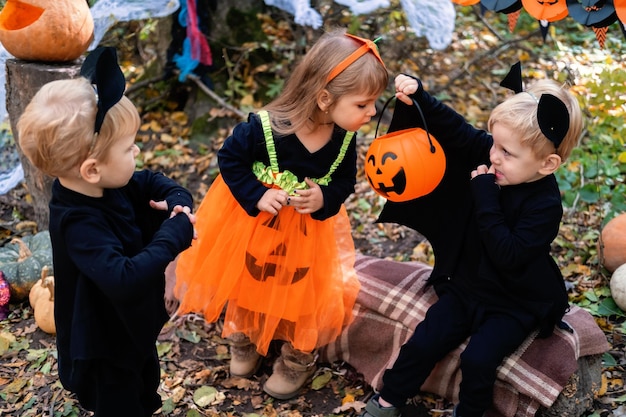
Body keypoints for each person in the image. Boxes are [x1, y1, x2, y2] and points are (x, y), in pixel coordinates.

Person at [173, 29, 389, 399]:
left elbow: (342, 185)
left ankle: (296, 358)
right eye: (363, 104)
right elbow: (229, 160)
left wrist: (323, 198)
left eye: (373, 104)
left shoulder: (343, 138)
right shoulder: (263, 129)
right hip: (252, 228)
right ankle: (242, 337)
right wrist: (257, 194)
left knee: (305, 296)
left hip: (308, 238)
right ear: (325, 98)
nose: (371, 112)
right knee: (244, 283)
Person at [361, 63, 583, 417]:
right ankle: (388, 401)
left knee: (478, 359)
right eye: (495, 143)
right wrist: (421, 97)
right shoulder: (492, 157)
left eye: (507, 153)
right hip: (467, 285)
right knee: (425, 339)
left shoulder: (545, 206)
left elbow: (507, 254)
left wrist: (485, 196)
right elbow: (456, 131)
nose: (494, 155)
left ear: (547, 164)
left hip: (514, 300)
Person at [16, 46, 195, 417]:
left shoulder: (111, 182)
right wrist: (174, 235)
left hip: (129, 327)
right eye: (129, 147)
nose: (138, 151)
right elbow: (123, 278)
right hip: (102, 344)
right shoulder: (78, 222)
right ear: (92, 169)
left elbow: (153, 183)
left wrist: (176, 200)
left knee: (144, 385)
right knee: (121, 401)